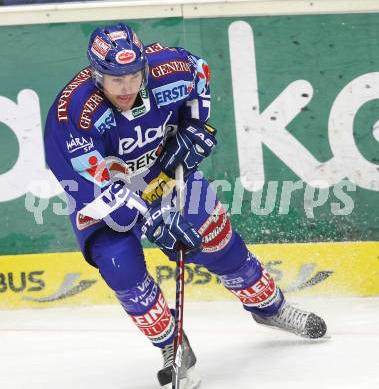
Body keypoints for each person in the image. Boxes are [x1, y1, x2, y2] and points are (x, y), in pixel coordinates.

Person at [44, 22, 327, 388]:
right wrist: (151, 218)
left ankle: (271, 308)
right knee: (119, 266)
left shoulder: (172, 68)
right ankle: (171, 344)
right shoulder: (75, 115)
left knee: (216, 241)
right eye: (116, 80)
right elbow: (95, 189)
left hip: (163, 173)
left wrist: (194, 127)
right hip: (101, 195)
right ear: (97, 76)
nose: (127, 88)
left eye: (134, 76)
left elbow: (200, 74)